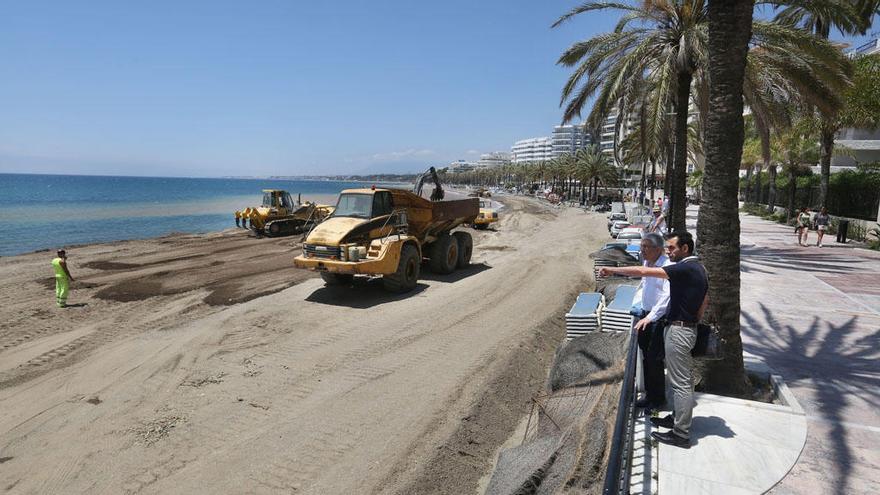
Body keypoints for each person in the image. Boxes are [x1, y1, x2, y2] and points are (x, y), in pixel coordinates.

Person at [598, 231, 708, 448]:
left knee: (681, 384)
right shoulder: (699, 268)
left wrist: (612, 269)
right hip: (684, 328)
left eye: (672, 248)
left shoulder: (684, 267)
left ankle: (681, 433)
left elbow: (641, 271)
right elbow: (705, 301)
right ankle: (676, 419)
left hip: (679, 331)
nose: (669, 251)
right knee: (681, 381)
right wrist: (693, 320)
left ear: (685, 249)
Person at [632, 233, 672, 412]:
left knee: (655, 361)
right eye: (642, 246)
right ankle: (649, 395)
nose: (642, 250)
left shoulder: (666, 267)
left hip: (657, 319)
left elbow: (666, 297)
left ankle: (658, 400)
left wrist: (651, 317)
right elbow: (644, 287)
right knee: (646, 358)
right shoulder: (647, 263)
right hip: (645, 316)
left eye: (646, 247)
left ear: (658, 249)